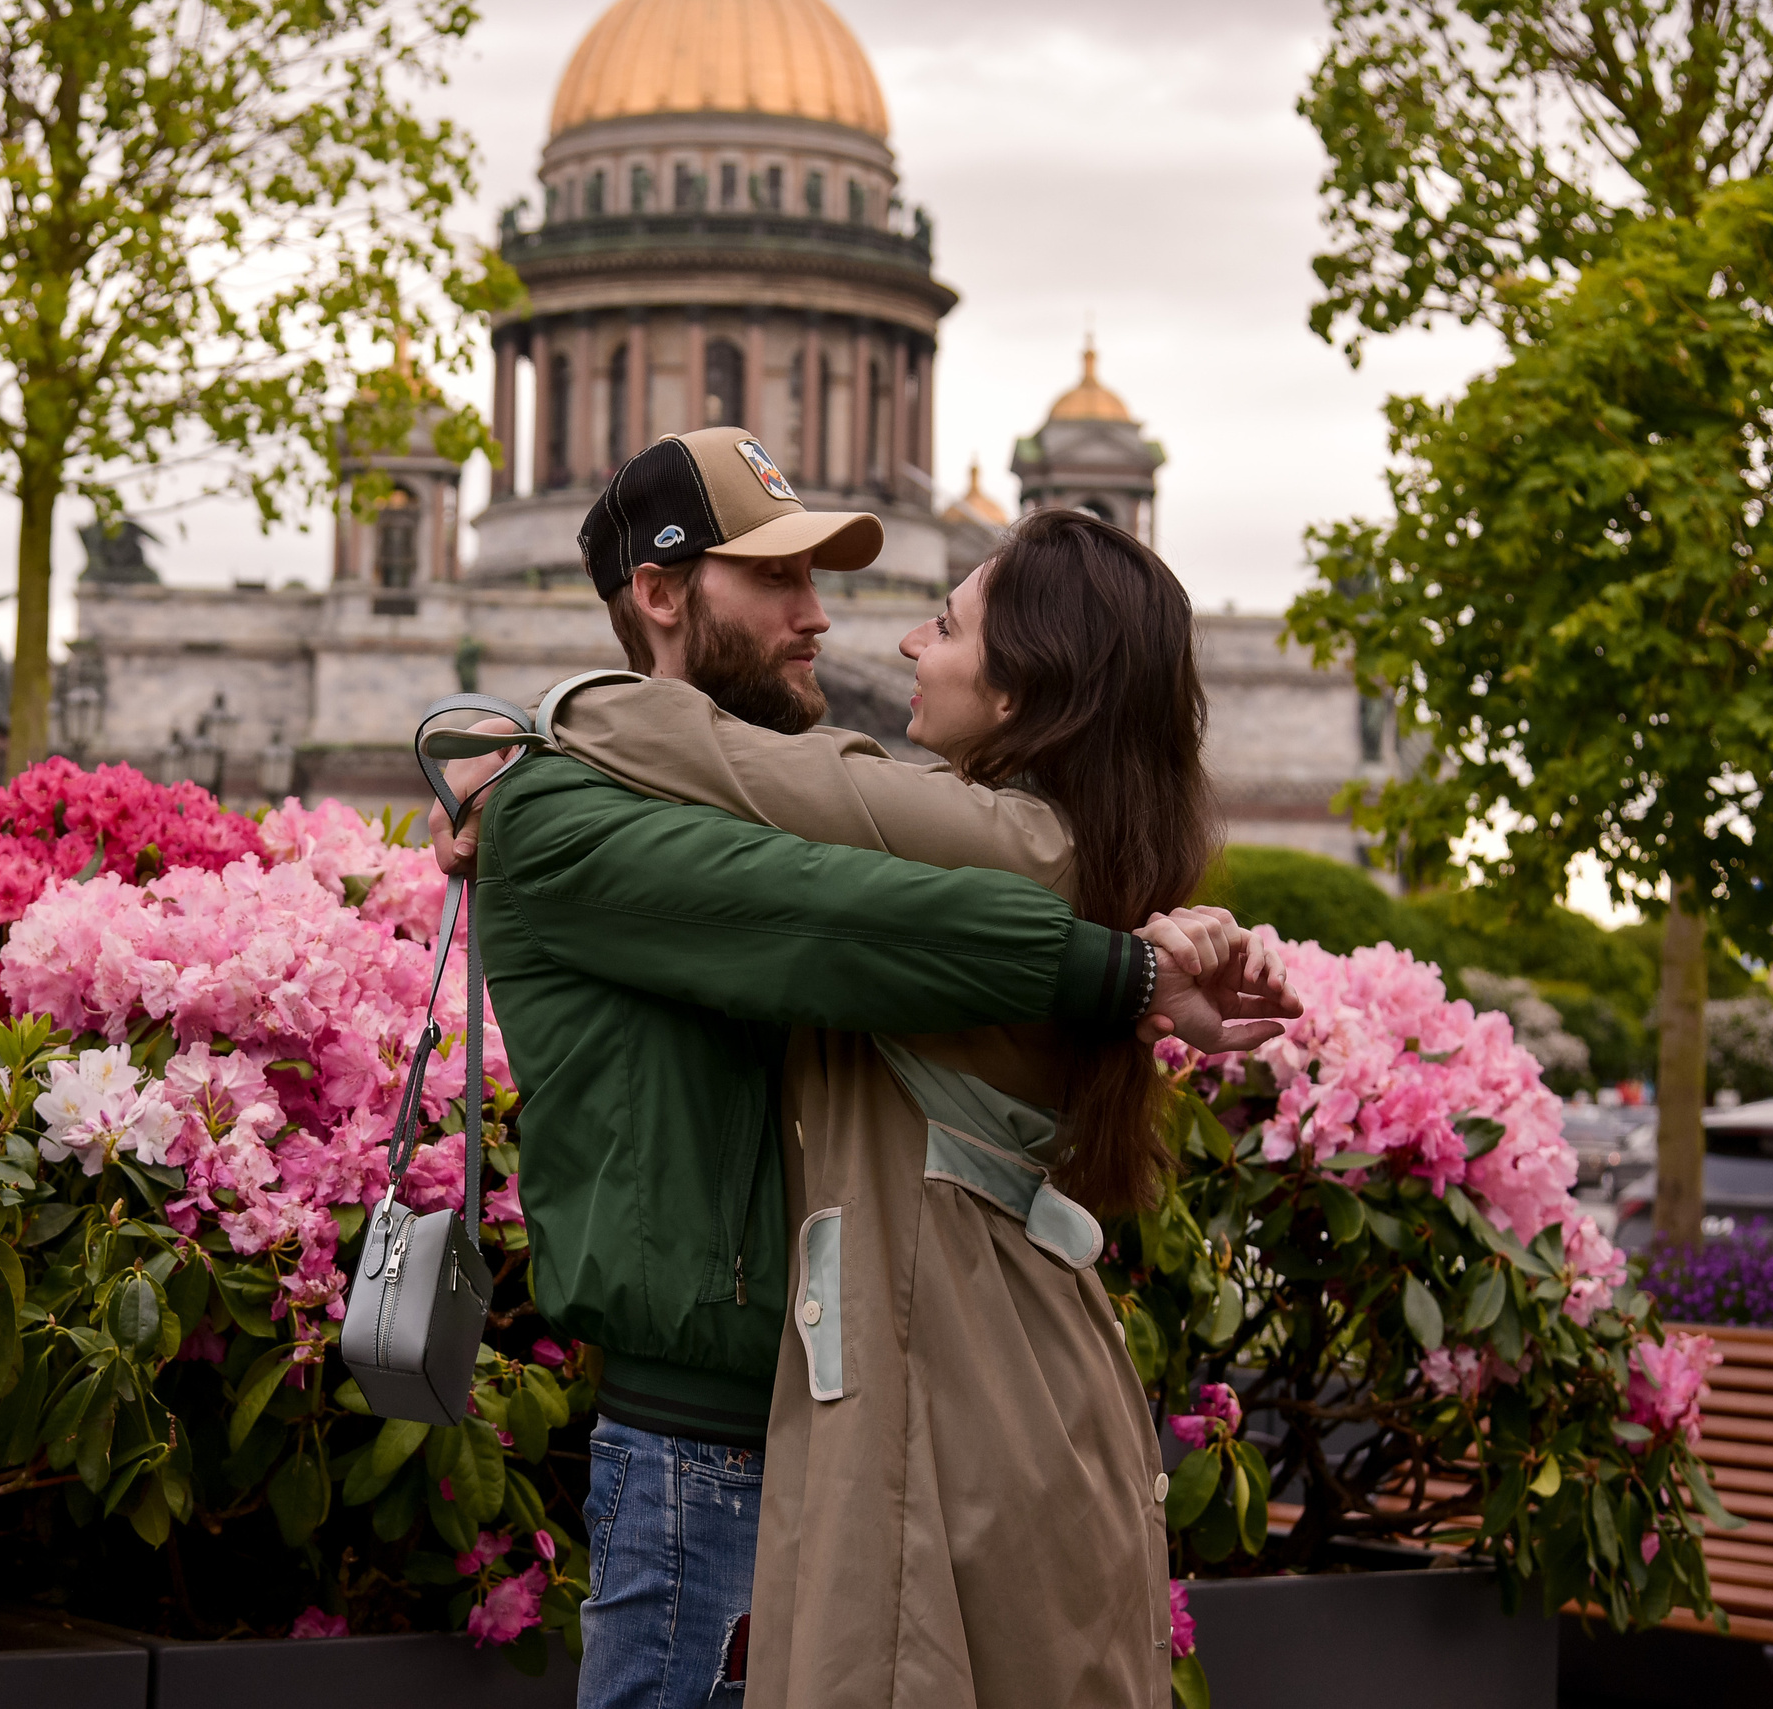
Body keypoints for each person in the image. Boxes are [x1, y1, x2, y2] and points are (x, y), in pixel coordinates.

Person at [428, 428, 1293, 1709]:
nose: (825, 618)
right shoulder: (561, 814)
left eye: (822, 580)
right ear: (662, 595)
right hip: (711, 1450)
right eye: (777, 582)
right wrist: (1122, 970)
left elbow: (906, 857)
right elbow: (839, 922)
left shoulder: (856, 805)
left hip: (884, 1418)